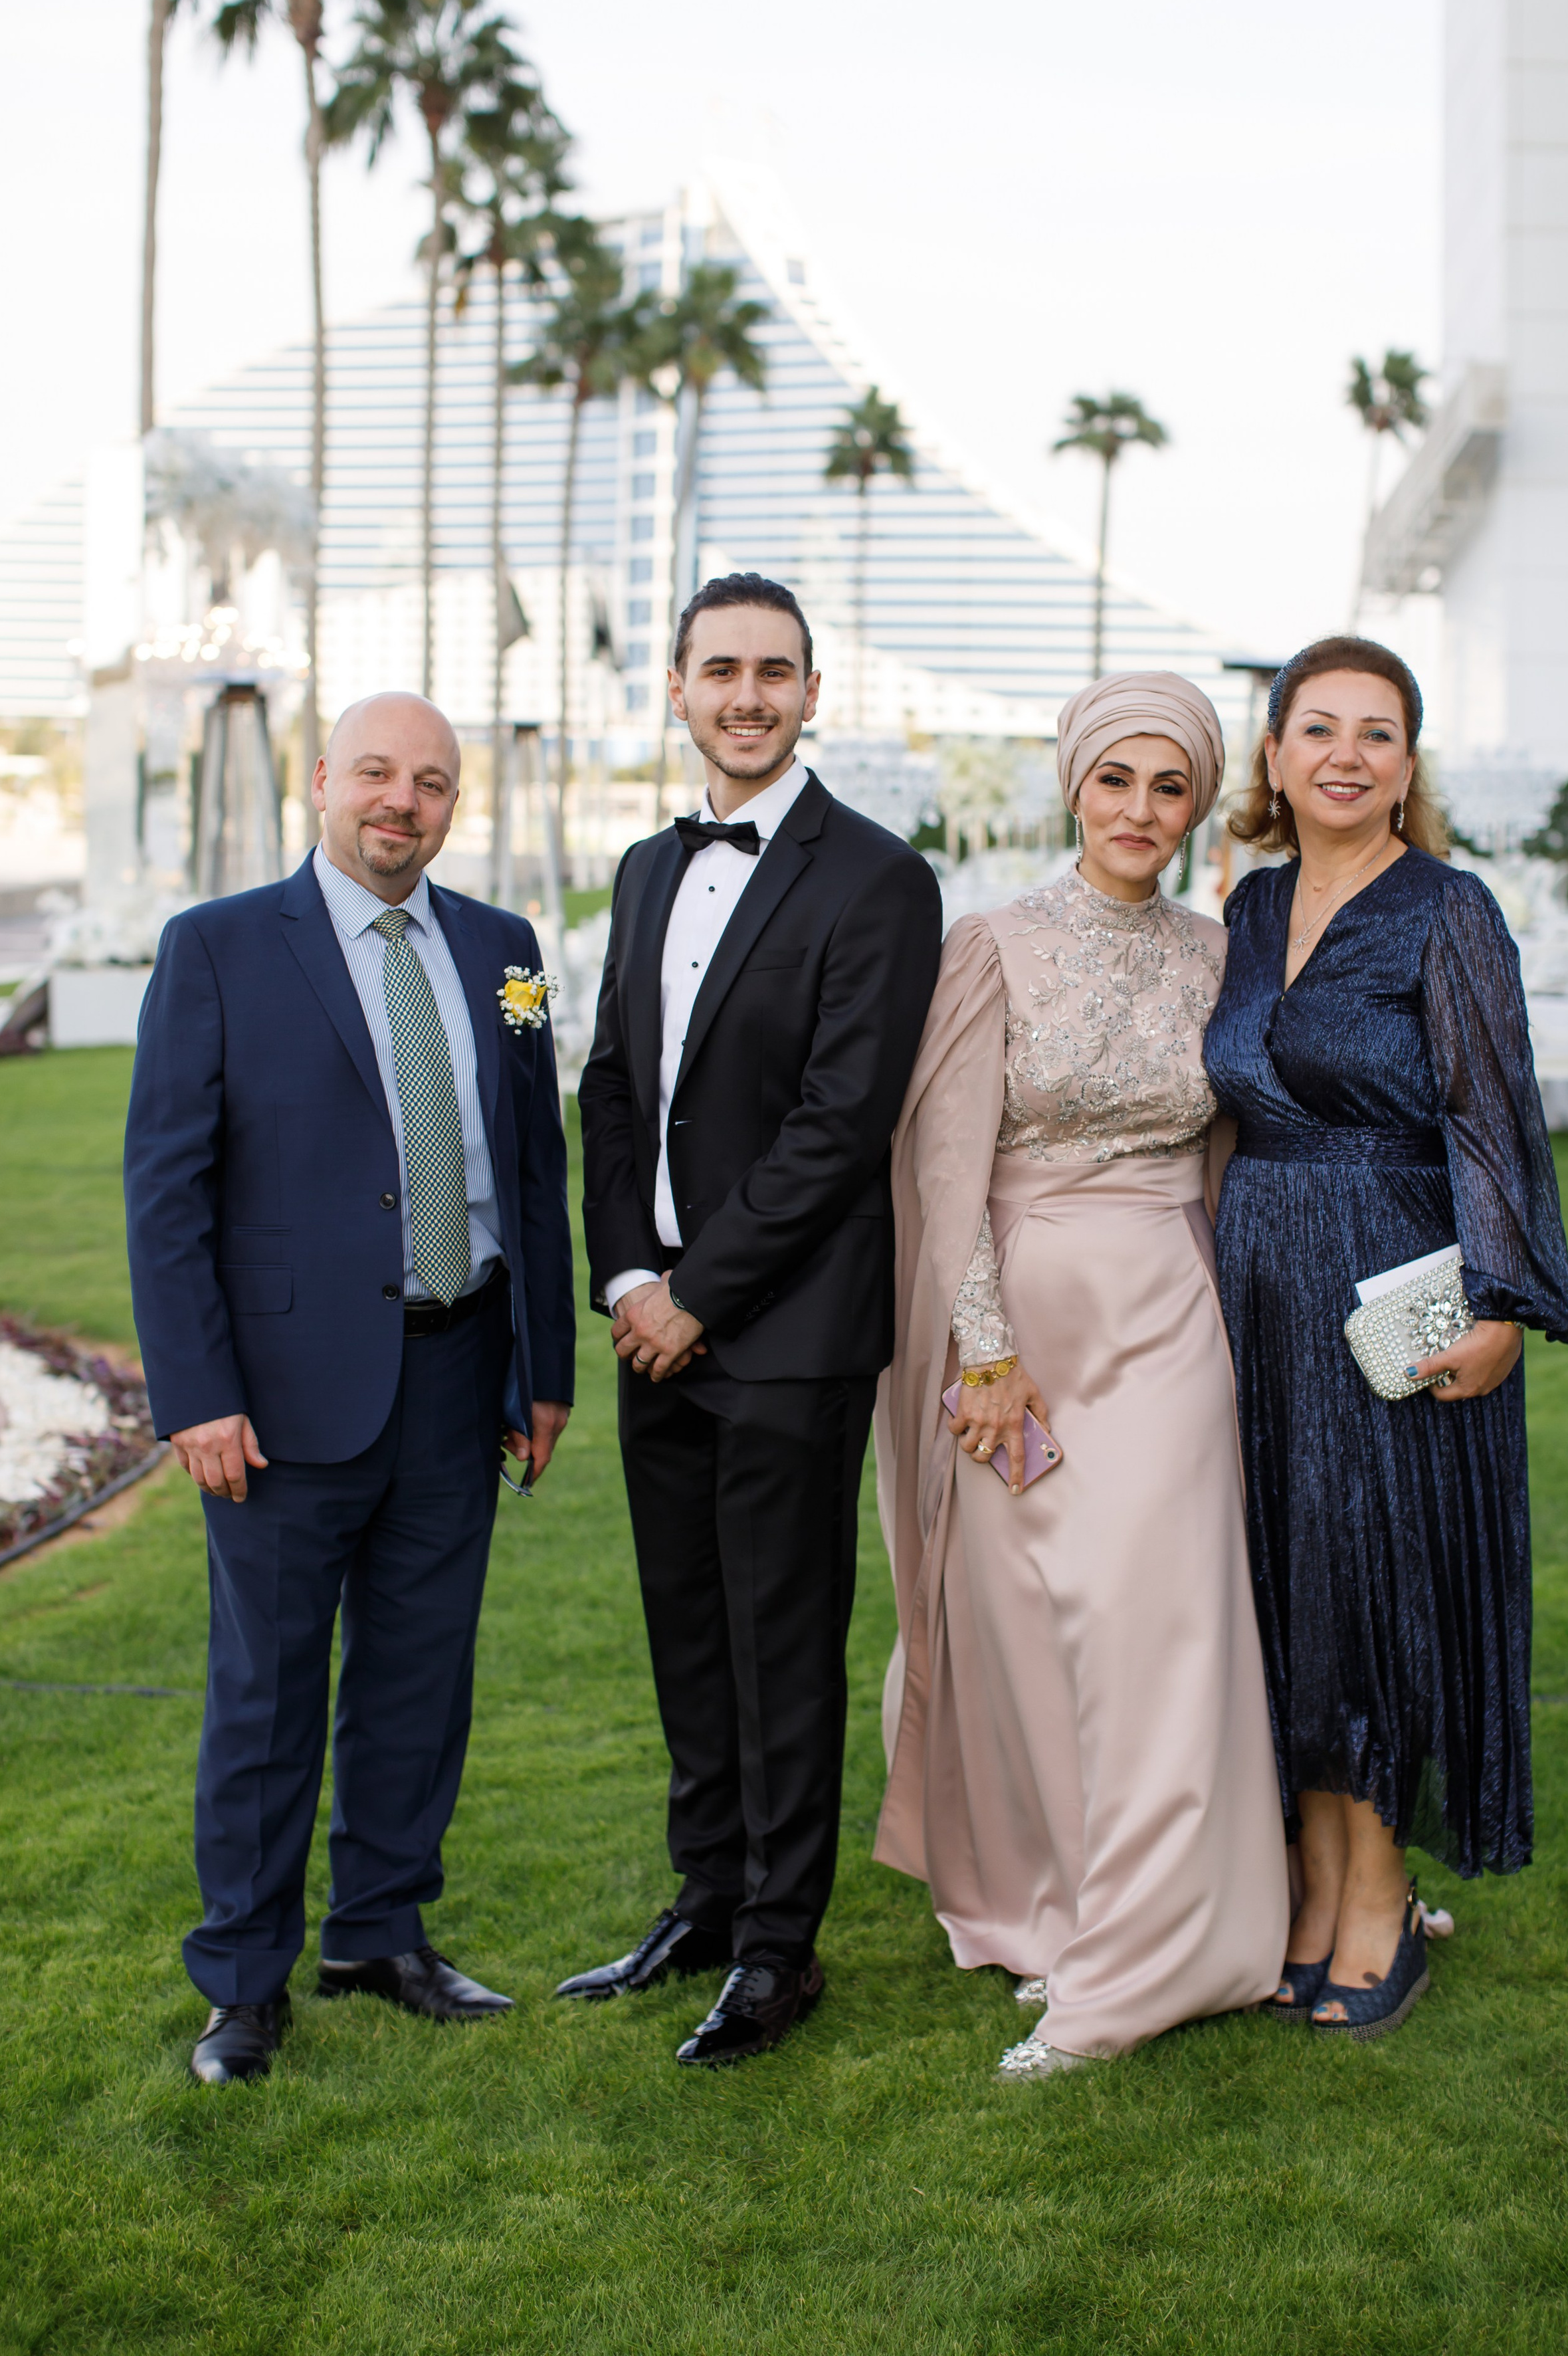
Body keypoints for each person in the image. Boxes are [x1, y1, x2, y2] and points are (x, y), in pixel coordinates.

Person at [124, 693, 574, 2086]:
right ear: (322, 781)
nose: (403, 801)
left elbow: (533, 1164)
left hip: (460, 1372)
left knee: (417, 1683)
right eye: (377, 773)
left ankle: (380, 1934)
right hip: (276, 1394)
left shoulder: (507, 956)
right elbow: (166, 1190)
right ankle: (244, 1985)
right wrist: (197, 1392)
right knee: (265, 1700)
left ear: (455, 805)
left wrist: (542, 1367)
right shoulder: (215, 948)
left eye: (432, 783)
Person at [875, 673, 1288, 2081]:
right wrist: (979, 1353)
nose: (1138, 811)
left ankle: (1143, 1961)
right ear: (1071, 786)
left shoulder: (1219, 951)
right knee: (1025, 1634)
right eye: (1114, 780)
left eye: (1167, 787)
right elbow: (945, 1162)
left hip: (1169, 1317)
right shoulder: (989, 942)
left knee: (1149, 1627)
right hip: (1015, 1333)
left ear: (1195, 806)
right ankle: (1061, 1915)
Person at [569, 571, 943, 2066]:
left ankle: (783, 1951)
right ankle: (708, 1902)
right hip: (649, 1312)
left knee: (781, 1639)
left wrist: (699, 1294)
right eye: (717, 668)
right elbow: (607, 1087)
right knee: (684, 1630)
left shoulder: (877, 878)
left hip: (781, 1324)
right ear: (675, 689)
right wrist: (624, 1282)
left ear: (809, 693)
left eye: (771, 671)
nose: (744, 694)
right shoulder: (646, 870)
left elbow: (840, 1122)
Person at [1203, 637, 1568, 2040]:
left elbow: (1492, 1116)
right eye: (1317, 729)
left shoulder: (1447, 909)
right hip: (1255, 1289)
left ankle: (1377, 1898)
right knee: (1281, 1586)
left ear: (1405, 766)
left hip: (1396, 1287)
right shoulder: (1244, 909)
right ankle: (1307, 1889)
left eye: (1375, 733)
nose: (1344, 755)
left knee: (1370, 1590)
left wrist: (1501, 1308)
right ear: (1275, 755)